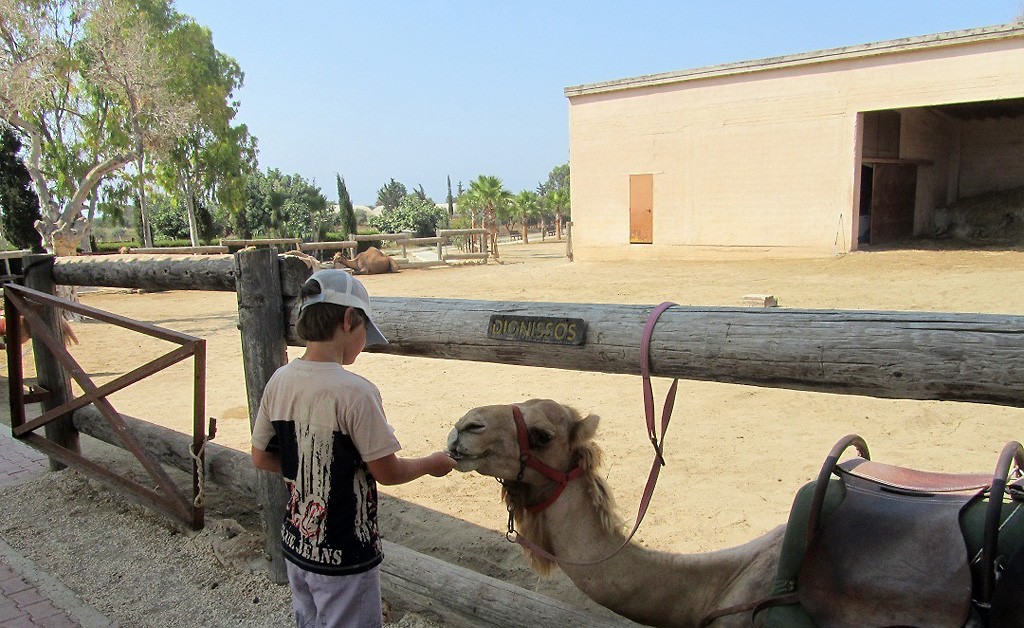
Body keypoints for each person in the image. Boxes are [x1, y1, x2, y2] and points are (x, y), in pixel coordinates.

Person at [251, 269, 456, 628]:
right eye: (364, 331)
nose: (364, 343)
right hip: (345, 555)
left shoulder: (279, 380)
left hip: (298, 545)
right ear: (349, 320)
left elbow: (261, 456)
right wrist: (431, 463)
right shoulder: (356, 392)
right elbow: (388, 472)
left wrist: (305, 467)